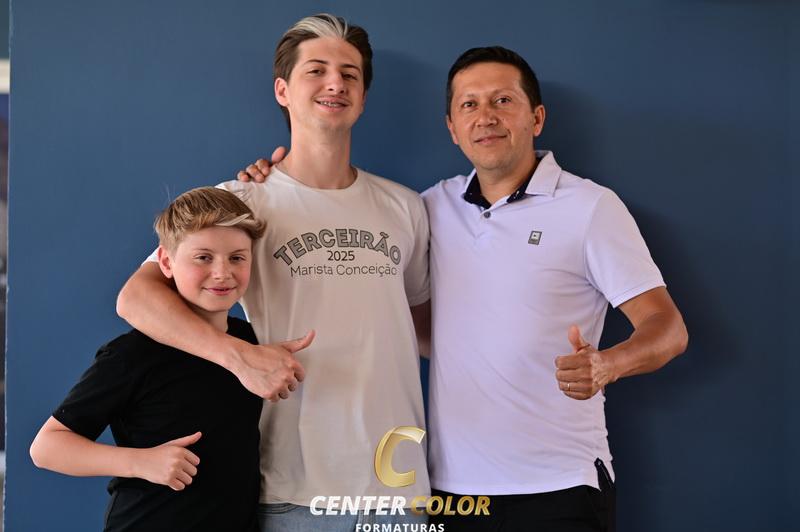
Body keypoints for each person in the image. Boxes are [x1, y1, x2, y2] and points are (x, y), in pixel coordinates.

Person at [241, 45, 688, 532]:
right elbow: (416, 322)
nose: (486, 117)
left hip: (559, 484)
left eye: (503, 101)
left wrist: (608, 365)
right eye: (469, 104)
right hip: (450, 492)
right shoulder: (429, 207)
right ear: (452, 127)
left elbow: (667, 328)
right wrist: (270, 179)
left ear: (537, 118)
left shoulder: (590, 207)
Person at [116, 14, 431, 532]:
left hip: (398, 487)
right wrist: (236, 356)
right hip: (291, 489)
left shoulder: (405, 206)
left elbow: (422, 328)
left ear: (363, 97)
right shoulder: (243, 200)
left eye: (350, 74)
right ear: (283, 90)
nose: (335, 83)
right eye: (317, 70)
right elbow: (136, 297)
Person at [29, 187, 282, 531]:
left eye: (237, 258)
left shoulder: (250, 342)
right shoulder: (133, 355)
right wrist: (141, 462)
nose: (222, 272)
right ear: (165, 262)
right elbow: (46, 447)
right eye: (203, 257)